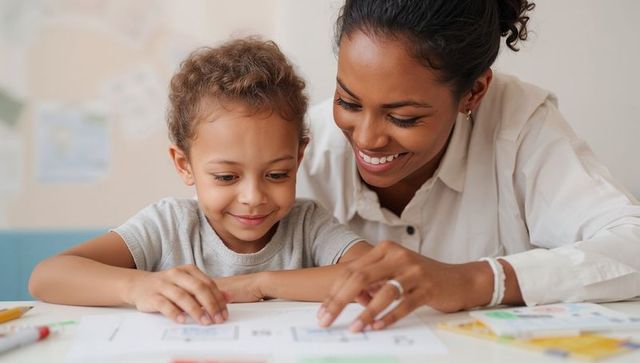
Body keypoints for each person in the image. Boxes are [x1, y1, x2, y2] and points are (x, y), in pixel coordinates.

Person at [296, 0, 640, 332]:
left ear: (474, 92)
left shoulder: (518, 126)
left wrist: (476, 280)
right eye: (348, 101)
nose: (368, 139)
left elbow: (632, 243)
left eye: (403, 117)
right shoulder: (301, 152)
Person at [29, 37, 372, 326]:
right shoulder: (168, 226)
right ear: (184, 164)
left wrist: (257, 284)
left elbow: (375, 274)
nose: (253, 197)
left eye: (277, 174)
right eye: (226, 177)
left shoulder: (308, 225)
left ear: (298, 159)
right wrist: (136, 287)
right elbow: (48, 276)